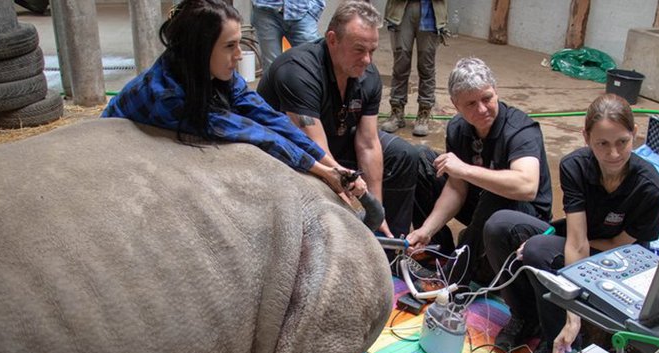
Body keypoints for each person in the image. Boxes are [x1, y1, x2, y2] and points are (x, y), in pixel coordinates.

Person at [483, 93, 659, 353]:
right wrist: (559, 240)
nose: (613, 153)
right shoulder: (575, 166)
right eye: (602, 144)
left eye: (622, 142)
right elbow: (577, 238)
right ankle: (524, 316)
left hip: (620, 260)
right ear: (586, 138)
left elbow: (616, 245)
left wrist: (573, 316)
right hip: (581, 240)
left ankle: (559, 341)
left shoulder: (649, 187)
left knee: (538, 251)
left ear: (635, 134)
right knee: (500, 226)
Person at [102, 0, 353, 197]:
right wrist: (321, 172)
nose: (240, 55)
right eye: (229, 46)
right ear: (201, 49)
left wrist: (332, 165)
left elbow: (269, 118)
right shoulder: (167, 97)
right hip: (118, 145)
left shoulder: (213, 70)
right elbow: (253, 133)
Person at [257, 0, 420, 238]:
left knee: (404, 155)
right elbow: (315, 149)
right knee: (327, 194)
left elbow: (368, 142)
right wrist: (354, 208)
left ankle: (391, 248)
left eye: (372, 51)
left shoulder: (367, 73)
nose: (367, 60)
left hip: (336, 138)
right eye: (359, 49)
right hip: (293, 155)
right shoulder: (298, 71)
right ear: (332, 39)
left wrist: (376, 209)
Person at [405, 57, 553, 287]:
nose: (482, 109)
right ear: (456, 105)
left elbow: (527, 186)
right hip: (480, 207)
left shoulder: (520, 129)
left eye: (487, 98)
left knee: (497, 192)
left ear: (496, 91)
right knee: (422, 160)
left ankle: (459, 271)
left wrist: (465, 169)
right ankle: (439, 253)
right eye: (471, 104)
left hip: (523, 215)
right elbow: (456, 187)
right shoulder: (457, 128)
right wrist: (427, 228)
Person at [380, 0, 447, 137]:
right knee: (401, 64)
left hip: (430, 11)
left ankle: (424, 113)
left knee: (426, 67)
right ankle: (396, 112)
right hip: (402, 10)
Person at [251, 0, 325, 72]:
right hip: (265, 9)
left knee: (311, 63)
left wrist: (315, 7)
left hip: (302, 10)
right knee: (271, 67)